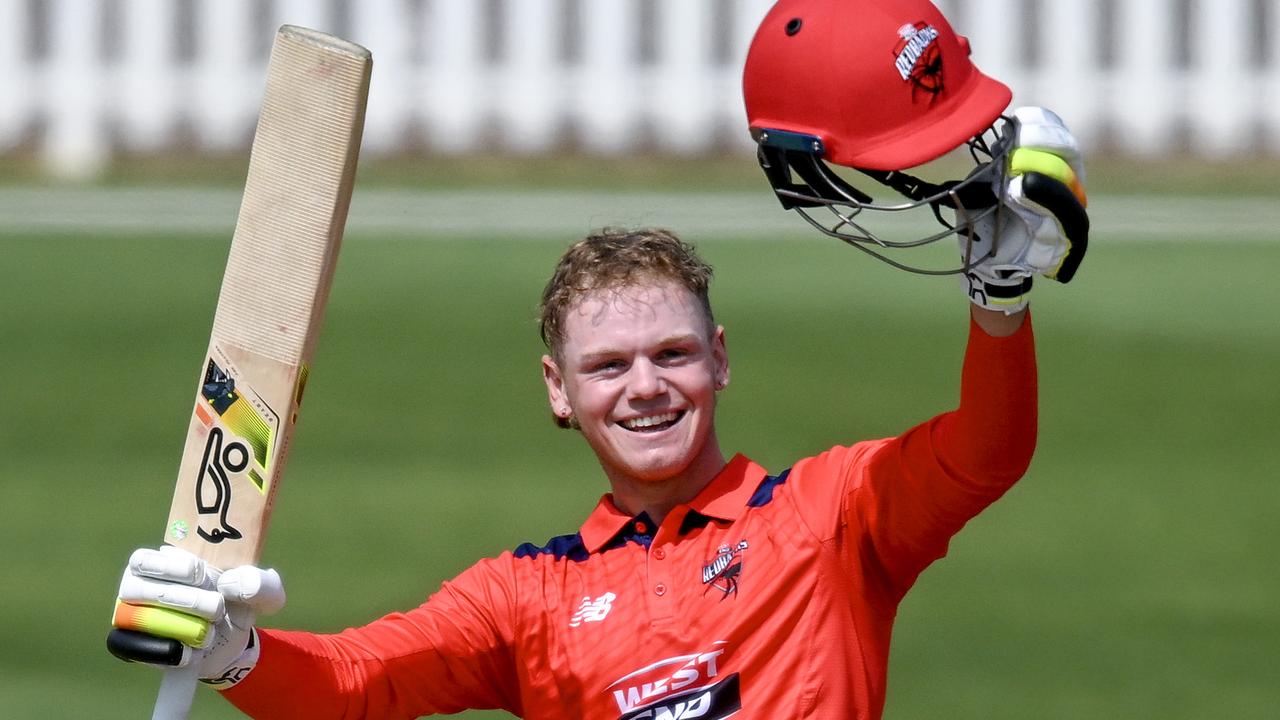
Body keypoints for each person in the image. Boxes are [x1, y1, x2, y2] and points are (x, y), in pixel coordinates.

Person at [108, 0, 1089, 717]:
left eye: (670, 353)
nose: (646, 386)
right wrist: (234, 653)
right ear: (559, 392)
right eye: (608, 366)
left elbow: (983, 456)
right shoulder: (522, 600)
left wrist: (996, 309)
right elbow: (358, 683)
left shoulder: (826, 518)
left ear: (718, 359)